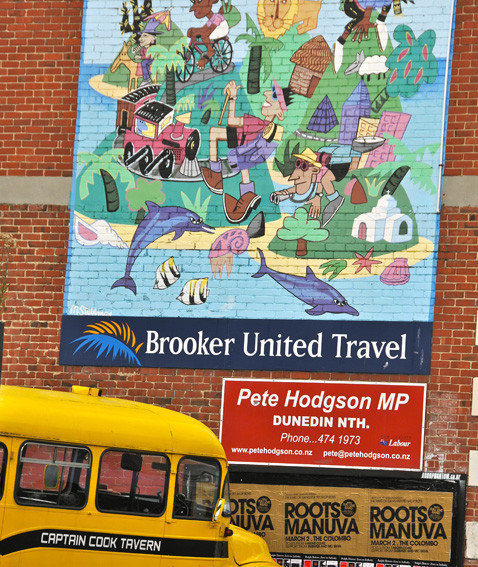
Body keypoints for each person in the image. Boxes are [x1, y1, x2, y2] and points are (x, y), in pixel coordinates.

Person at [201, 78, 292, 224]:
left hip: (244, 145)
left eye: (274, 96)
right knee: (216, 134)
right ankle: (247, 193)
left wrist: (233, 97)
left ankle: (215, 174)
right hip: (245, 142)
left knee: (214, 133)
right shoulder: (266, 128)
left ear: (280, 114)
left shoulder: (257, 123)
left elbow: (231, 121)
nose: (266, 94)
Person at [270, 148, 344, 226]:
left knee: (325, 180)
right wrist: (283, 192)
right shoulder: (311, 175)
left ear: (315, 170)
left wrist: (318, 197)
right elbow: (298, 188)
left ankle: (335, 198)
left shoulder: (320, 172)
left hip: (338, 165)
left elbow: (320, 180)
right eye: (298, 163)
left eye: (304, 166)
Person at [187, 0, 230, 70]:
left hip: (222, 28)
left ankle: (210, 51)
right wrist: (193, 31)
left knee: (204, 35)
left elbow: (207, 31)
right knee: (201, 32)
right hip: (215, 26)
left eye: (199, 1)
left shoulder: (217, 18)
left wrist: (198, 32)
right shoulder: (211, 19)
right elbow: (203, 29)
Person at [134, 20, 163, 87]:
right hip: (147, 60)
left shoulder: (151, 48)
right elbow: (143, 55)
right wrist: (138, 49)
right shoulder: (143, 48)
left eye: (145, 36)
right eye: (141, 36)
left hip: (151, 59)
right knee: (144, 63)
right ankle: (148, 76)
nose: (140, 39)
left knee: (144, 62)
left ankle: (147, 80)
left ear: (153, 38)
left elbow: (148, 56)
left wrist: (140, 57)